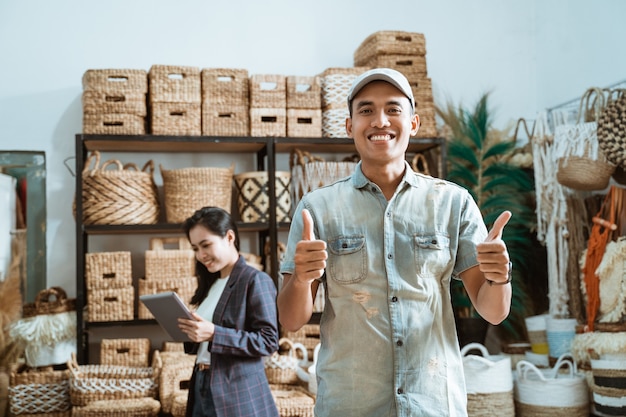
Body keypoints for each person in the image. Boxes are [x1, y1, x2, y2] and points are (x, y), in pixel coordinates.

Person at [276, 68, 512, 417]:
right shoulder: (317, 208)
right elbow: (290, 320)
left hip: (433, 401)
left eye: (393, 109)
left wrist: (499, 277)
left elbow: (493, 310)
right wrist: (302, 278)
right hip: (350, 404)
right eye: (366, 110)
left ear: (414, 123)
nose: (379, 120)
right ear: (349, 126)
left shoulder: (453, 202)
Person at [178, 206, 280, 417]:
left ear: (229, 237)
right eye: (195, 248)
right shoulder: (211, 283)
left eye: (206, 245)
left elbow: (269, 341)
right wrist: (190, 330)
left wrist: (215, 333)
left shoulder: (254, 280)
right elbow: (205, 341)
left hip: (236, 393)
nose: (200, 255)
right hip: (201, 382)